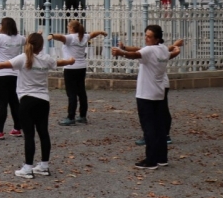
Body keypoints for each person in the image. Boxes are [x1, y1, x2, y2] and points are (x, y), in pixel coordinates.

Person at [0, 33, 75, 179]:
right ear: (41, 47)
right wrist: (70, 61)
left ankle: (28, 168)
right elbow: (57, 63)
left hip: (27, 100)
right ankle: (44, 166)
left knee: (29, 135)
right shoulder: (46, 59)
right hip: (43, 100)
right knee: (43, 133)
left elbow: (3, 65)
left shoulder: (23, 58)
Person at [113, 27, 182, 168]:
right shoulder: (162, 49)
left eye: (149, 36)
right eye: (146, 35)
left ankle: (151, 160)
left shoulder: (149, 50)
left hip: (146, 94)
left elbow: (135, 54)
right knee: (159, 126)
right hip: (158, 92)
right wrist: (176, 51)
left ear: (157, 39)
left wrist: (121, 53)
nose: (146, 38)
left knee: (149, 127)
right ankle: (162, 157)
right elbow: (169, 56)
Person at [49, 21, 106, 126]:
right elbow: (93, 34)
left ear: (71, 28)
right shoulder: (84, 36)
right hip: (81, 67)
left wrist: (52, 36)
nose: (67, 27)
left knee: (71, 93)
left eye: (68, 26)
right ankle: (82, 116)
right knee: (81, 92)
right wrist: (101, 32)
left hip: (70, 67)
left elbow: (61, 37)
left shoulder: (71, 37)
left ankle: (71, 117)